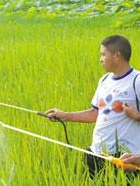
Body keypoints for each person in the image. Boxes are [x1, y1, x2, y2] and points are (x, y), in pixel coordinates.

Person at [46, 35, 140, 178]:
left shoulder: (136, 81)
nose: (100, 59)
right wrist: (64, 116)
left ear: (117, 56)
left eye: (103, 54)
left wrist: (137, 116)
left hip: (124, 158)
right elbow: (95, 113)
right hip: (96, 151)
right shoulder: (104, 80)